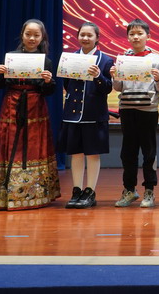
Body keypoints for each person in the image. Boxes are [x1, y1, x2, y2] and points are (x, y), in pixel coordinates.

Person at [0, 19, 61, 210]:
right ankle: (3, 194)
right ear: (22, 35)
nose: (32, 38)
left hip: (35, 107)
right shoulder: (11, 57)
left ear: (42, 37)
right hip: (12, 105)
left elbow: (49, 92)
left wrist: (48, 82)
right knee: (8, 145)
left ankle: (36, 194)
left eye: (36, 35)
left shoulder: (46, 61)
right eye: (28, 34)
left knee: (33, 147)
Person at [110, 18, 159, 208]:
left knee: (149, 152)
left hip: (148, 110)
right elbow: (118, 88)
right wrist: (115, 77)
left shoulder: (156, 60)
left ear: (148, 36)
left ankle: (149, 191)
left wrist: (158, 79)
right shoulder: (123, 58)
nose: (136, 37)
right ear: (127, 37)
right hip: (127, 109)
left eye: (139, 33)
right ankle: (129, 190)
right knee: (128, 152)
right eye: (132, 34)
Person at [58, 21, 114, 209]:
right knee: (75, 153)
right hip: (72, 113)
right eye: (82, 34)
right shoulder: (70, 58)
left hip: (94, 114)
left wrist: (98, 76)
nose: (85, 38)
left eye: (90, 35)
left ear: (97, 38)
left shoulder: (105, 60)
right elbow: (67, 85)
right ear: (77, 36)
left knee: (92, 154)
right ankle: (76, 190)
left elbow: (107, 88)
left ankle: (90, 191)